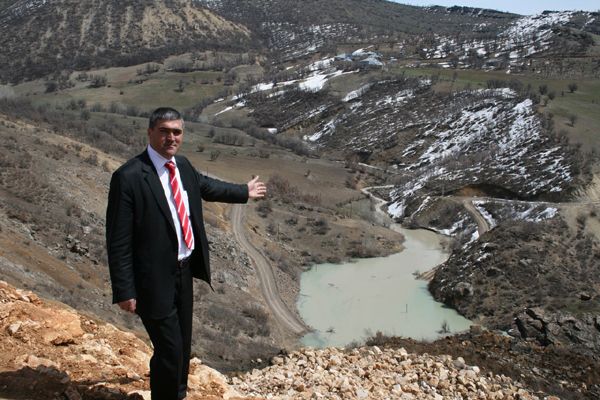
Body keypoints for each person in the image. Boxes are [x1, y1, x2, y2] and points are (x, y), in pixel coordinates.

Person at [105, 107, 266, 400]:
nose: (171, 137)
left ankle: (176, 394)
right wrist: (124, 289)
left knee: (182, 347)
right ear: (150, 132)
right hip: (151, 280)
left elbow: (206, 186)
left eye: (176, 132)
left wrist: (243, 191)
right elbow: (117, 239)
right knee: (170, 348)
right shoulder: (128, 177)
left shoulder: (183, 166)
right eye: (164, 131)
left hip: (183, 271)